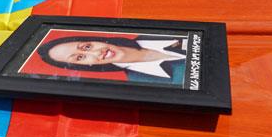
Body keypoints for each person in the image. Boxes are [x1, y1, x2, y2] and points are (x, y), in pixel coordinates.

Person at [37, 35, 187, 83]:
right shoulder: (140, 80)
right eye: (81, 57)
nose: (97, 53)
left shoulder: (154, 33)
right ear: (85, 65)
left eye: (87, 47)